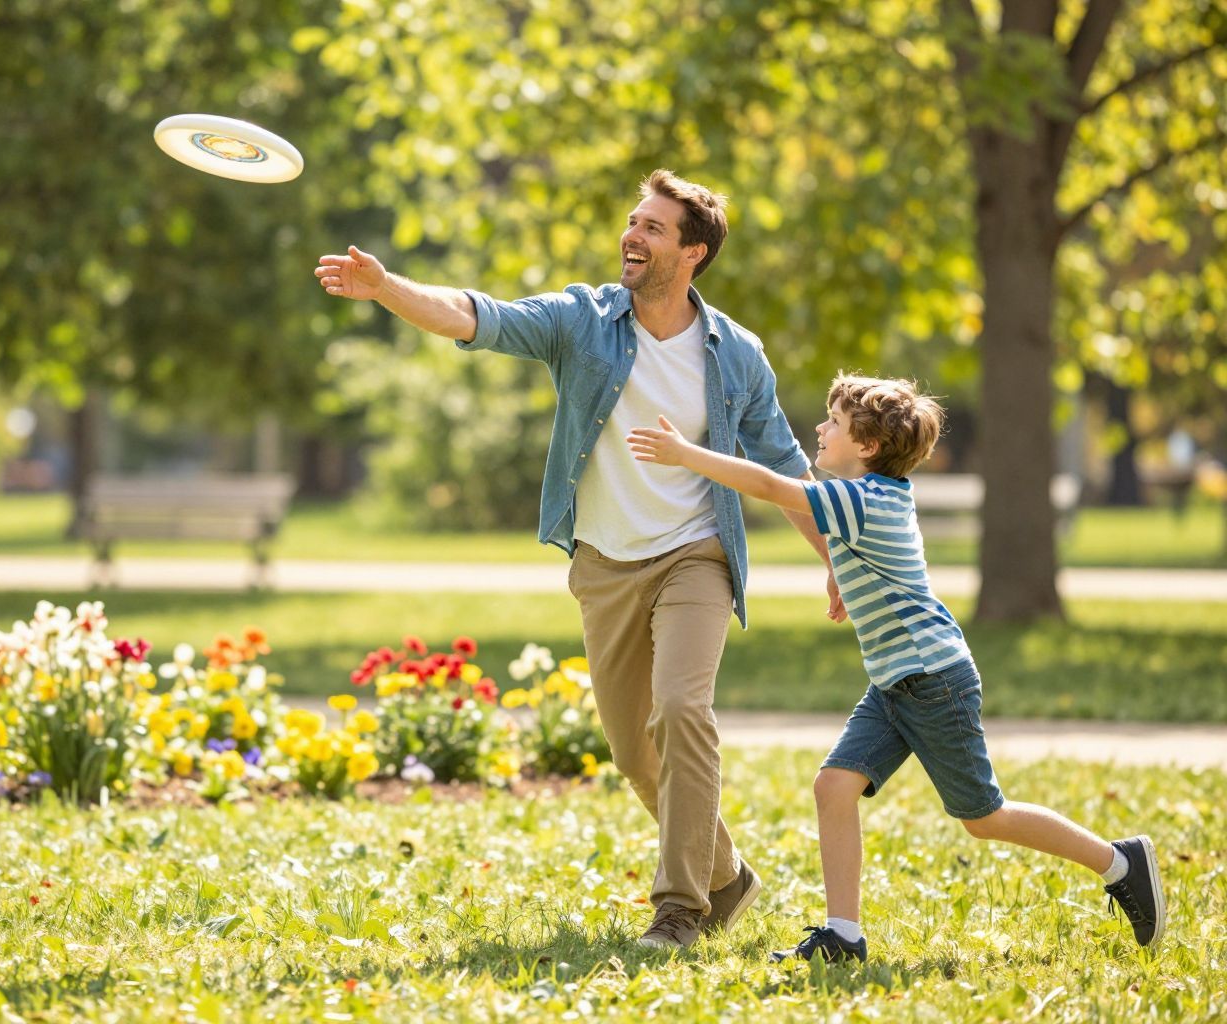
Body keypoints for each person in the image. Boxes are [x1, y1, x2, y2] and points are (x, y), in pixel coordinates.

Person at [317, 170, 845, 949]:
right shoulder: (582, 319)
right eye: (633, 221)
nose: (633, 235)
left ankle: (680, 910)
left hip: (695, 553)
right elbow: (477, 316)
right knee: (635, 753)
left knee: (682, 711)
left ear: (693, 252)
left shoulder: (736, 355)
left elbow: (786, 465)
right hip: (604, 562)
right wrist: (389, 287)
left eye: (655, 227)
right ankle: (726, 877)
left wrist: (831, 557)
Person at [626, 374, 1165, 962]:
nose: (820, 429)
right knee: (834, 786)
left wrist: (685, 455)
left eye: (833, 422)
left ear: (868, 447)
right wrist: (843, 581)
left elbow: (767, 484)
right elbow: (849, 551)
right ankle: (844, 936)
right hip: (895, 681)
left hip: (933, 682)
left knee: (985, 818)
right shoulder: (870, 498)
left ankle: (1120, 863)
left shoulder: (862, 498)